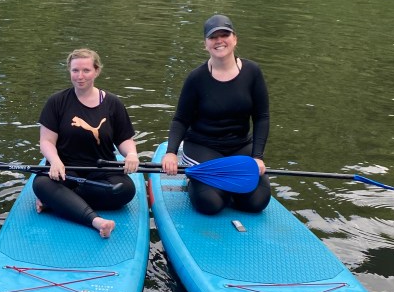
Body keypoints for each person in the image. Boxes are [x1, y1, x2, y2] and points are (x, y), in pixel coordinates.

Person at [161, 14, 270, 215]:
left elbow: (262, 116)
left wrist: (257, 157)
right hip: (202, 146)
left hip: (239, 146)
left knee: (257, 203)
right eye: (213, 37)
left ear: (235, 38)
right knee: (210, 204)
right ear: (206, 44)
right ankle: (199, 183)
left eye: (225, 34)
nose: (219, 41)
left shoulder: (252, 72)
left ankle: (226, 186)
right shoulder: (196, 78)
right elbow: (180, 119)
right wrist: (170, 152)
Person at [34, 48, 139, 238]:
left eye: (86, 70)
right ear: (69, 71)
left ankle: (58, 200)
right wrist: (55, 161)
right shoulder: (57, 102)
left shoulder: (113, 103)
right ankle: (96, 221)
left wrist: (131, 154)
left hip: (101, 170)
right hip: (65, 170)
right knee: (41, 184)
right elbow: (46, 141)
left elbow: (124, 139)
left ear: (96, 71)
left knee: (126, 191)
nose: (80, 76)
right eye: (75, 71)